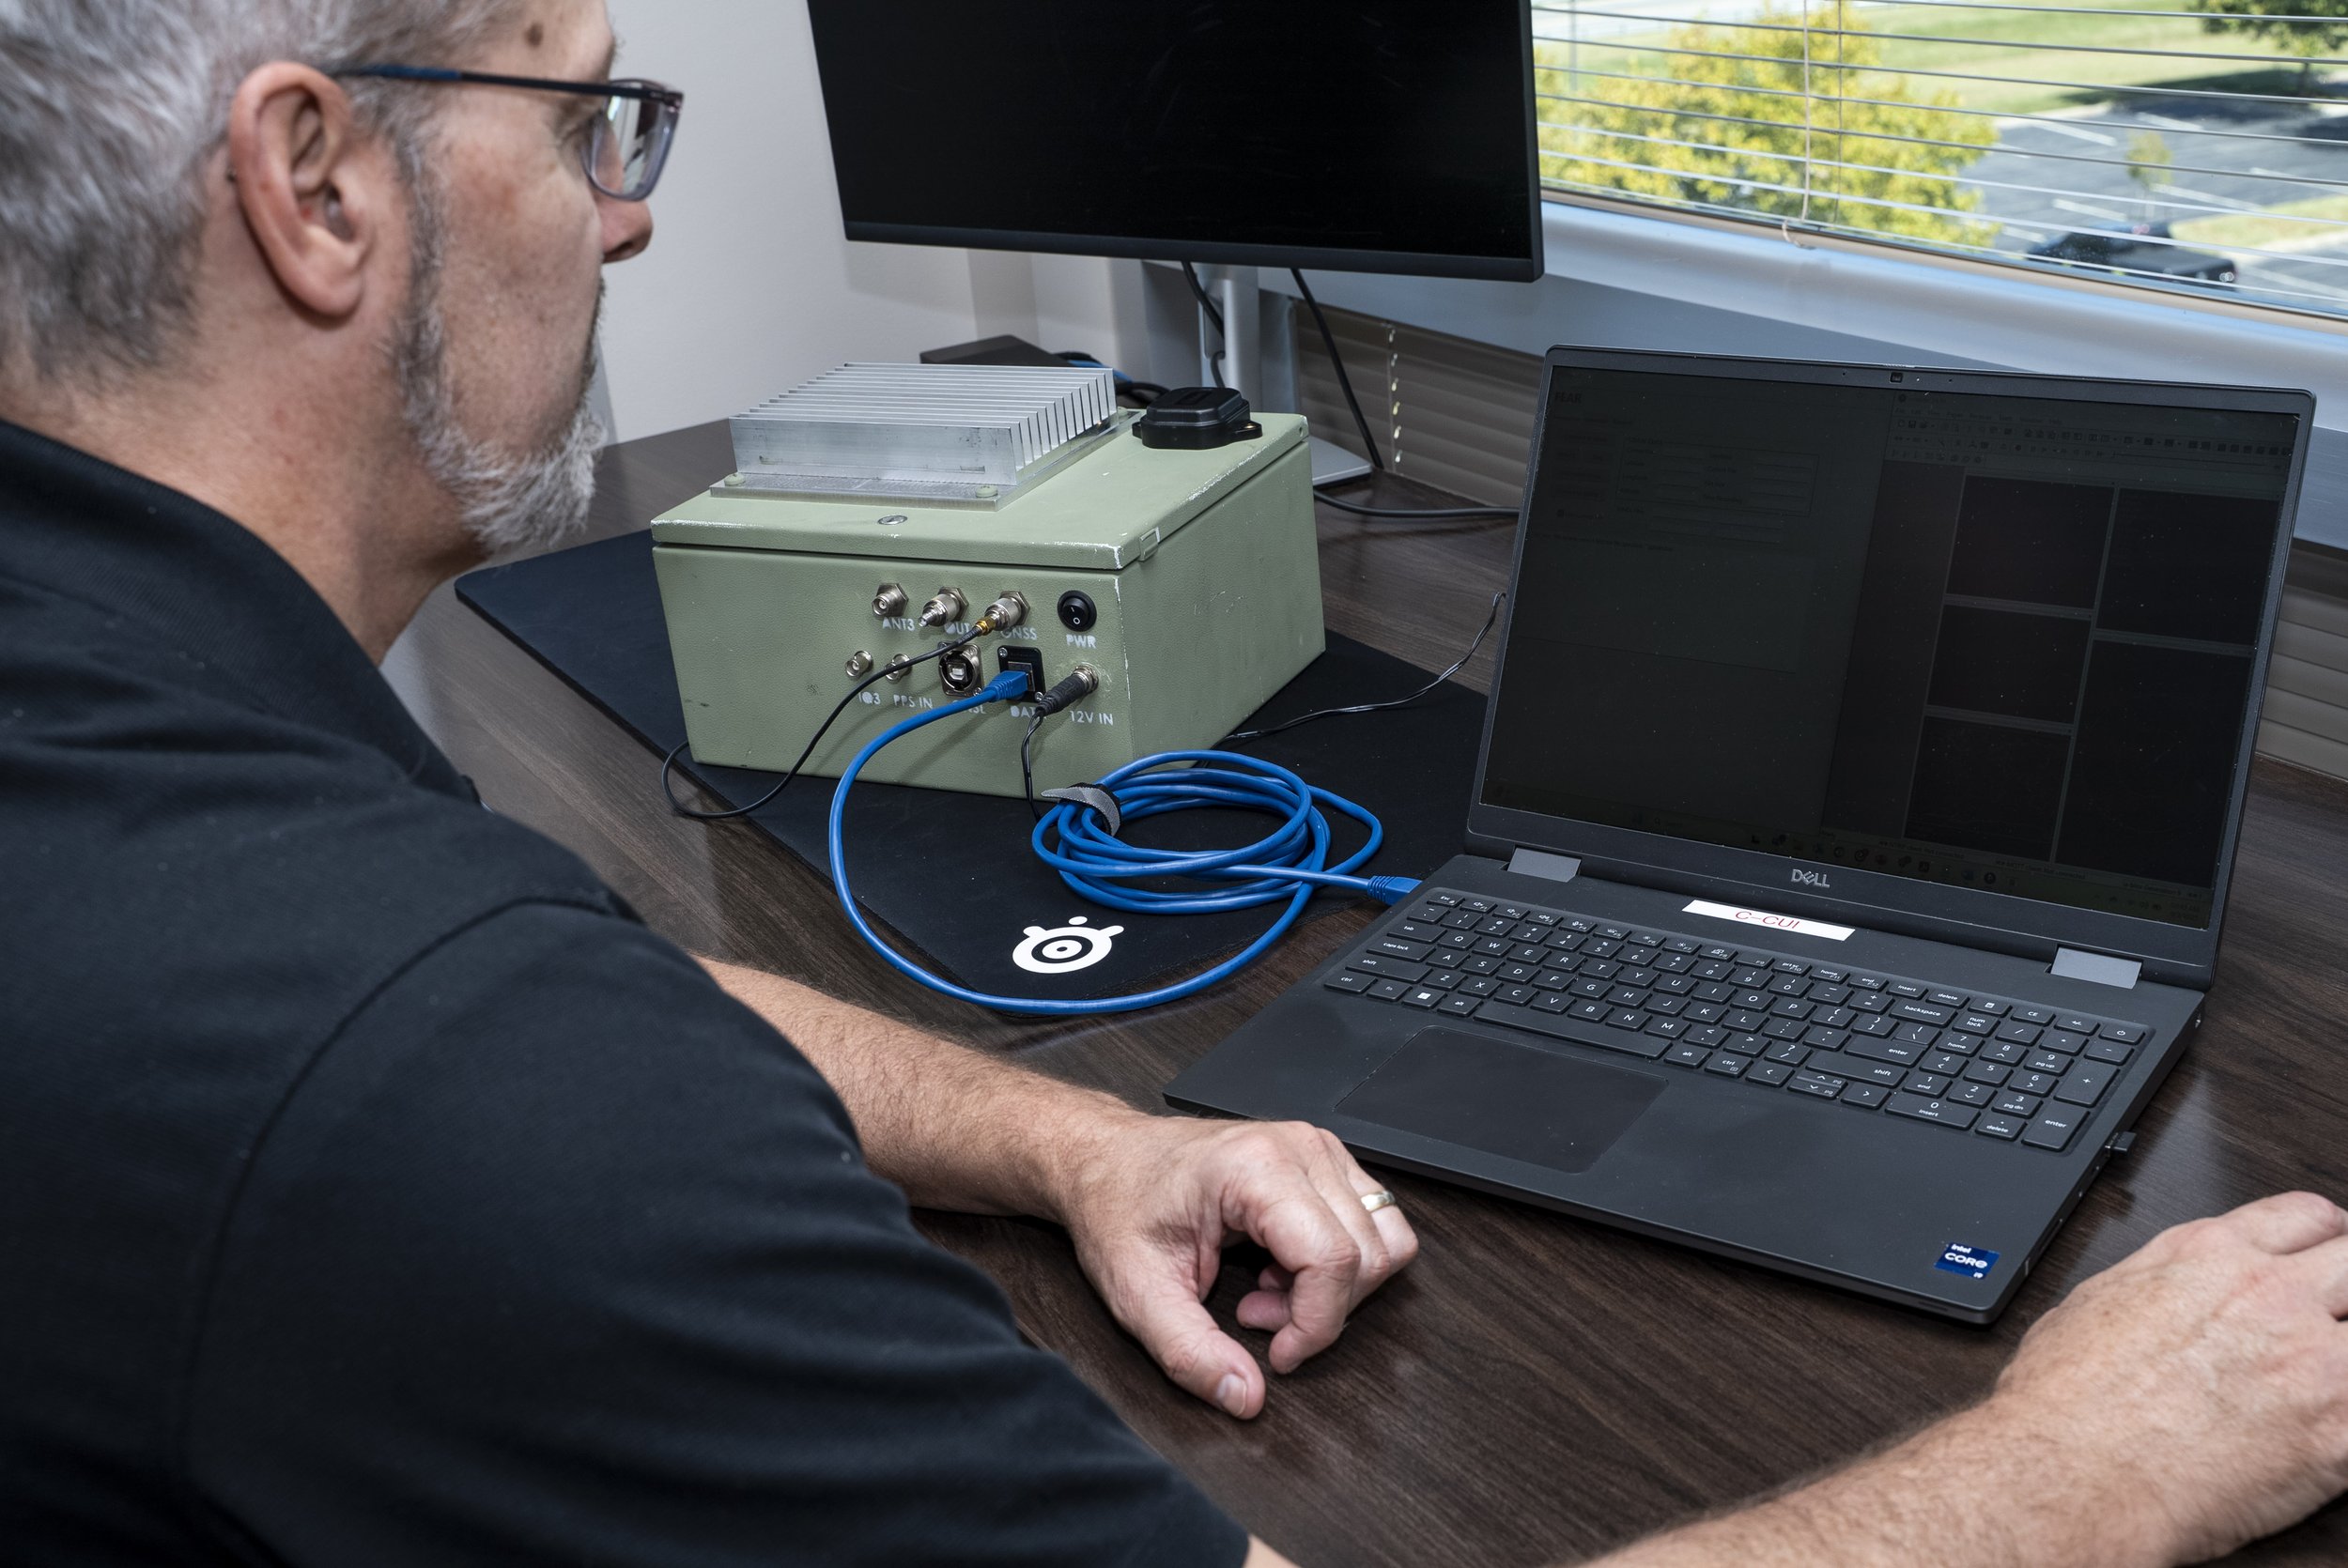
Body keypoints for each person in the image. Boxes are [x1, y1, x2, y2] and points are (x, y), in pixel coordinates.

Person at [1, 4, 2345, 1566]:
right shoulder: (449, 1091)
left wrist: (1077, 1133)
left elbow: (547, 959)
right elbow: (515, 1045)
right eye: (591, 117)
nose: (624, 211)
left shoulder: (156, 751)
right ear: (312, 185)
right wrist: (2076, 1470)